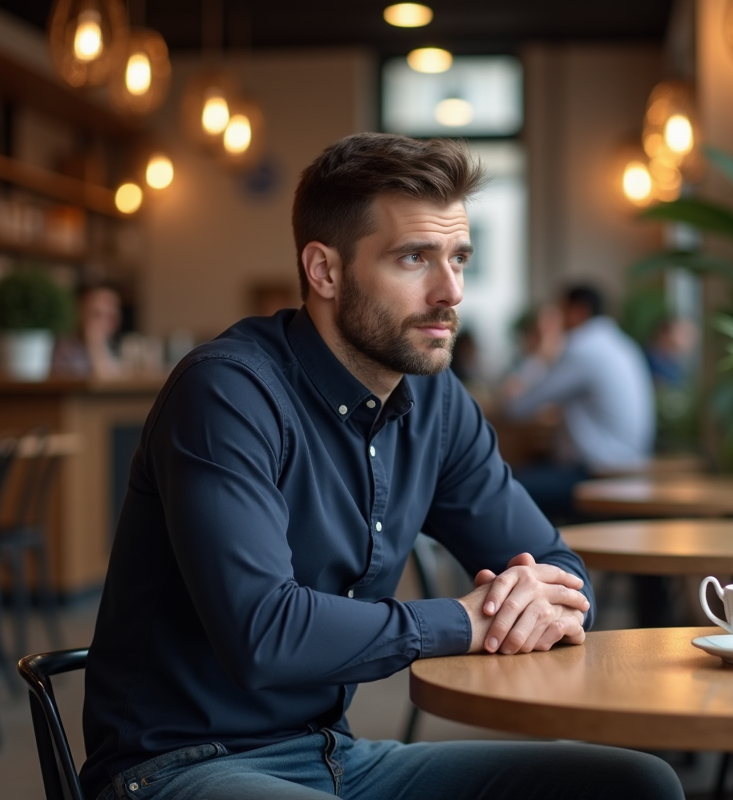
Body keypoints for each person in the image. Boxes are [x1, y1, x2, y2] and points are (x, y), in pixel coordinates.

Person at [80, 133, 683, 800]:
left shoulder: (435, 402)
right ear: (325, 271)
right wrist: (466, 621)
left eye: (459, 258)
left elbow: (559, 566)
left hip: (334, 756)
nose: (450, 291)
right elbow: (263, 633)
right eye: (414, 259)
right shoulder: (227, 393)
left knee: (635, 784)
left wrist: (544, 600)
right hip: (180, 764)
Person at [502, 285, 656, 523]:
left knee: (502, 486)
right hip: (630, 469)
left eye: (559, 311)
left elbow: (518, 408)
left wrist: (542, 349)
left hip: (597, 476)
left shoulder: (583, 348)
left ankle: (534, 559)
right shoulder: (623, 345)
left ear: (577, 311)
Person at [53, 284, 124, 379]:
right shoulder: (66, 349)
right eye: (97, 315)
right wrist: (96, 346)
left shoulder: (118, 347)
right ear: (81, 313)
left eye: (111, 315)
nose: (104, 322)